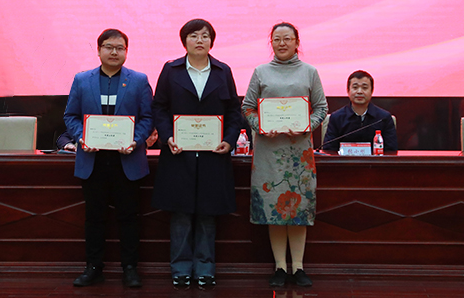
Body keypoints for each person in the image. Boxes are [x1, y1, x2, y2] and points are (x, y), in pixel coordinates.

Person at [56, 29, 153, 288]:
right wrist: (82, 137)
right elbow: (70, 116)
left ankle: (130, 268)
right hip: (93, 161)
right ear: (98, 50)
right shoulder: (82, 80)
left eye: (120, 48)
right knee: (94, 218)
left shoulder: (139, 80)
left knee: (128, 217)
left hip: (127, 160)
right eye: (109, 47)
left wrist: (135, 140)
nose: (114, 52)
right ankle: (93, 267)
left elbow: (147, 118)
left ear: (126, 52)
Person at [151, 19, 242, 288]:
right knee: (180, 214)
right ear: (184, 41)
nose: (199, 40)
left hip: (214, 154)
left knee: (207, 214)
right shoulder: (171, 70)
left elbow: (233, 111)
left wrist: (229, 141)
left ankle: (205, 267)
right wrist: (167, 137)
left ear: (212, 41)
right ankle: (180, 269)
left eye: (205, 36)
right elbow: (159, 107)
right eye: (193, 35)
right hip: (179, 154)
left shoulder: (223, 71)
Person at [242, 22, 328, 288]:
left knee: (298, 209)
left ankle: (298, 267)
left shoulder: (310, 72)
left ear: (296, 42)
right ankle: (280, 267)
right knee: (274, 208)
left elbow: (321, 108)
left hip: (298, 152)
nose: (282, 43)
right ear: (271, 43)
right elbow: (247, 107)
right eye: (277, 39)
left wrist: (306, 126)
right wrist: (260, 126)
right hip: (268, 151)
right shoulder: (261, 71)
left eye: (287, 39)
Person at [322, 70, 397, 153]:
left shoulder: (384, 118)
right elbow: (329, 150)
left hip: (375, 161)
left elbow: (391, 151)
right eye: (355, 87)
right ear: (348, 91)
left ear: (372, 91)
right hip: (344, 161)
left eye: (364, 88)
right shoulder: (337, 118)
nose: (359, 91)